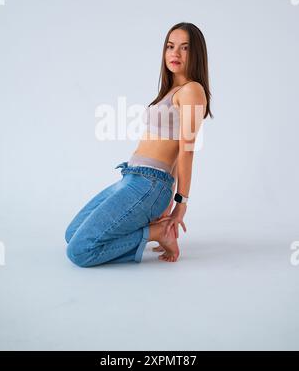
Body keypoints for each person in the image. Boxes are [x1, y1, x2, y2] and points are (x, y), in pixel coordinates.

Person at [65, 22, 213, 266]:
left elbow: (186, 151)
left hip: (149, 184)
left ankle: (158, 232)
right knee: (72, 235)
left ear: (196, 54)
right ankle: (153, 230)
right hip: (132, 177)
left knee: (79, 252)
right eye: (170, 46)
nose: (175, 53)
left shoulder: (192, 90)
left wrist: (180, 203)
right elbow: (173, 150)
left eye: (184, 48)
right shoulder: (171, 90)